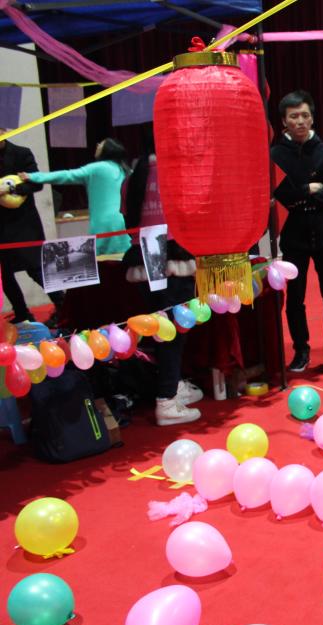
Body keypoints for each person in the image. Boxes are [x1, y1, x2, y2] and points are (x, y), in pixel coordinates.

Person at [122, 130, 203, 426]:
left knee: (160, 328)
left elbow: (127, 219)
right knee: (173, 331)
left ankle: (173, 386)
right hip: (172, 256)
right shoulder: (179, 175)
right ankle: (166, 401)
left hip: (144, 256)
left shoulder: (133, 177)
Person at [271, 90, 323, 373]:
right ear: (284, 121)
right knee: (295, 299)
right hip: (293, 237)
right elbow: (282, 195)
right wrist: (308, 189)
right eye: (294, 116)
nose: (300, 121)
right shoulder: (276, 154)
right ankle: (301, 351)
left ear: (312, 118)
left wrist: (300, 195)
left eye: (305, 115)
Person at [23, 137, 131, 255]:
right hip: (124, 221)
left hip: (104, 223)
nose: (97, 145)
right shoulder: (125, 170)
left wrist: (33, 176)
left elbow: (66, 176)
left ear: (107, 150)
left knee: (103, 261)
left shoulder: (98, 168)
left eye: (101, 144)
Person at [0, 128, 63, 323]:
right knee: (5, 273)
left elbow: (36, 183)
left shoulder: (21, 153)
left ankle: (63, 307)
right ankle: (21, 313)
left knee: (37, 269)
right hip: (1, 226)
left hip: (24, 224)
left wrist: (10, 188)